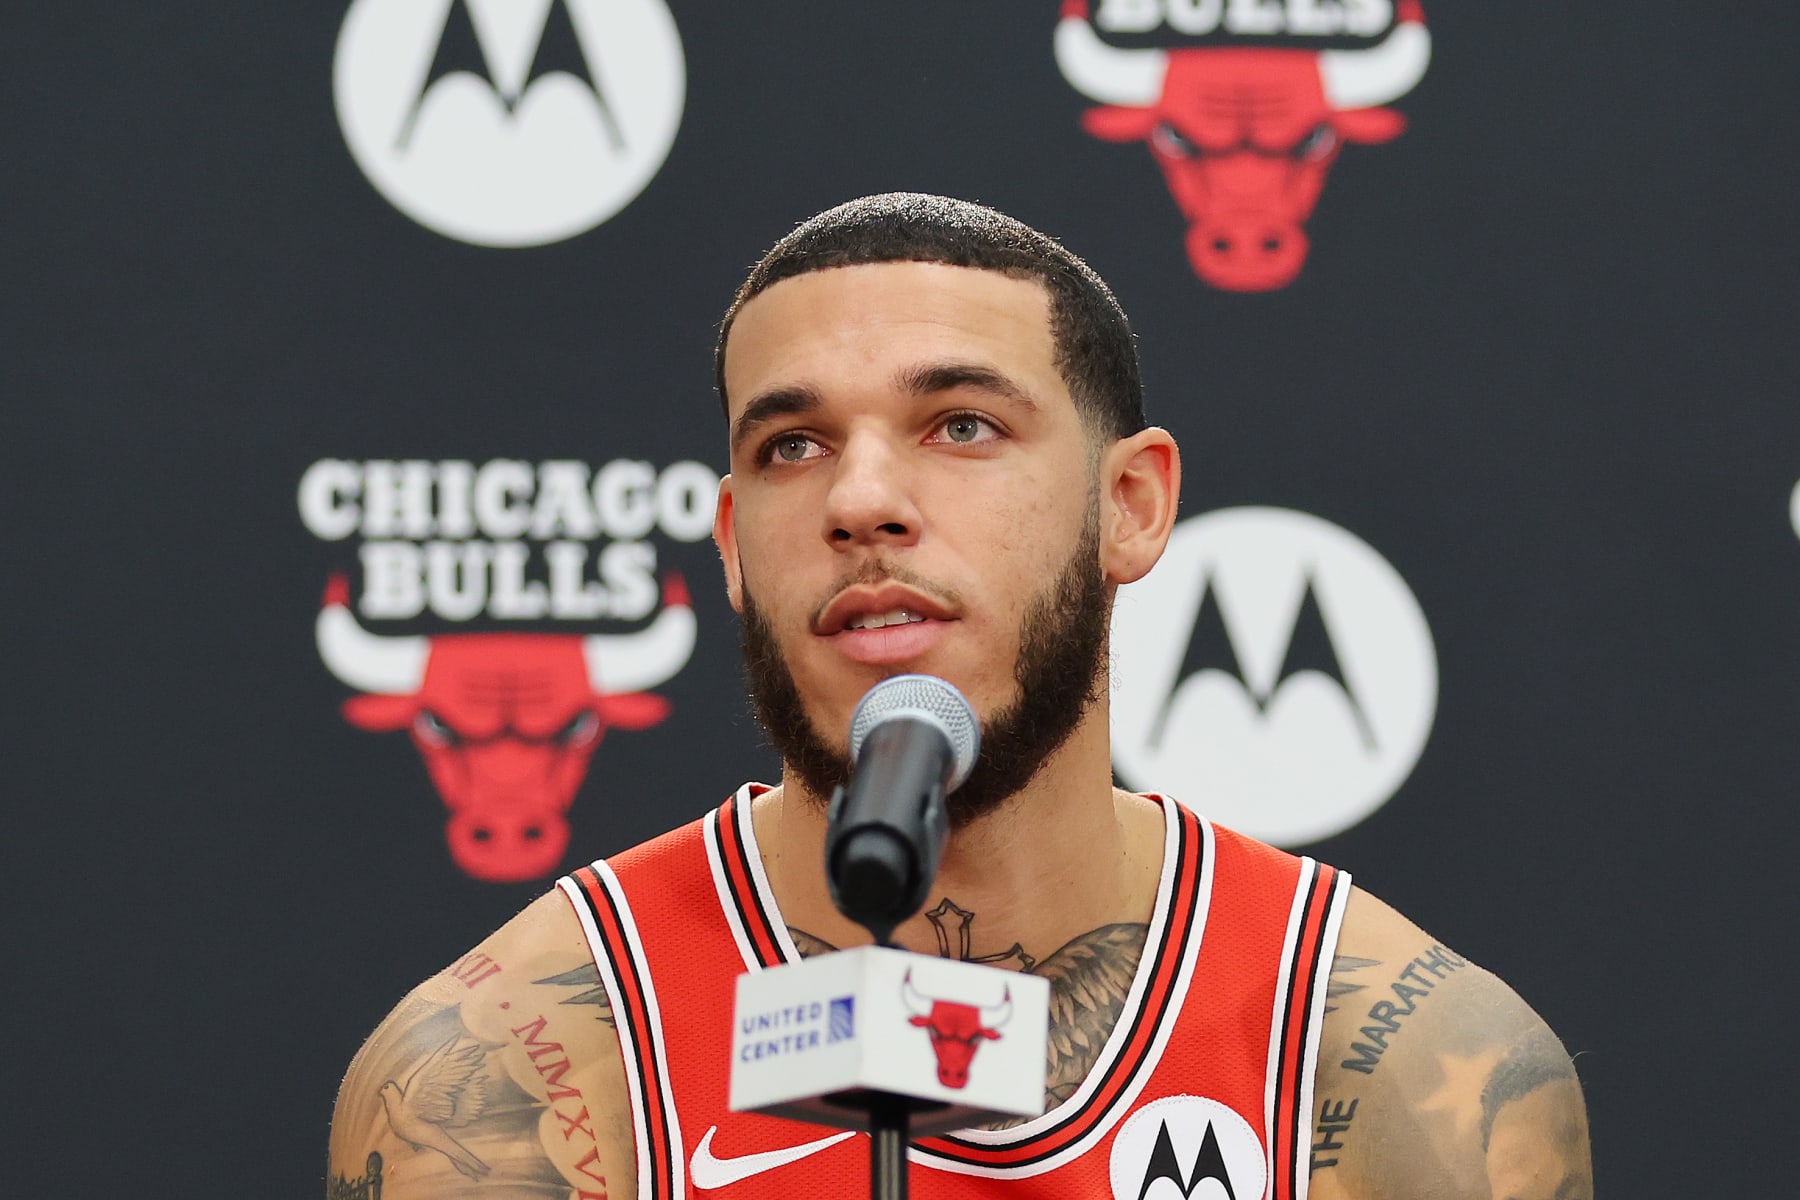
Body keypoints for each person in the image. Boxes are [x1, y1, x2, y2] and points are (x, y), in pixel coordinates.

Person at [326, 194, 1592, 1200]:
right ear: (728, 544)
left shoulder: (1405, 1068)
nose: (858, 500)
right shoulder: (505, 1076)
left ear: (1131, 506)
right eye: (791, 446)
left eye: (962, 426)